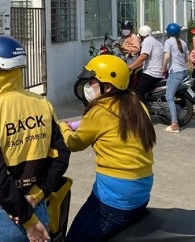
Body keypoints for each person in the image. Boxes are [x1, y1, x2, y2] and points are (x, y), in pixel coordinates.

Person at [0, 35, 70, 242]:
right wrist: (36, 195)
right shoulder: (43, 104)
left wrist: (29, 222)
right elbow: (60, 156)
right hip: (36, 205)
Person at [60, 54, 155, 242]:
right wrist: (82, 123)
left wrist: (62, 126)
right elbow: (114, 125)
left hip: (115, 198)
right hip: (140, 190)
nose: (88, 87)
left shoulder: (100, 110)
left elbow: (74, 143)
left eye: (92, 82)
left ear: (108, 86)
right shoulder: (136, 104)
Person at [162, 23, 189, 133]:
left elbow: (167, 56)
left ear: (168, 33)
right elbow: (187, 59)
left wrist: (163, 68)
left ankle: (174, 124)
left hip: (175, 73)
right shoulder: (183, 42)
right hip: (183, 71)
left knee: (169, 97)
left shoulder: (168, 42)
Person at [128, 25, 164, 101]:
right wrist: (133, 68)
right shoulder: (157, 42)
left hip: (151, 73)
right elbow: (144, 60)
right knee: (138, 74)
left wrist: (129, 67)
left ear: (141, 35)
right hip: (159, 73)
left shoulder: (147, 41)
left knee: (138, 93)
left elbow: (143, 57)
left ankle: (143, 111)